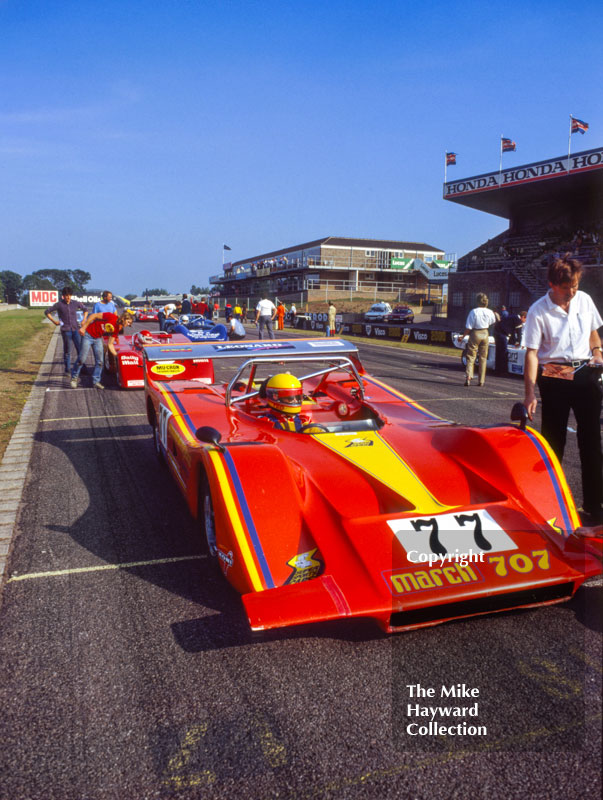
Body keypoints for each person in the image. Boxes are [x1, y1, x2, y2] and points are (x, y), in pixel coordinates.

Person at [523, 254, 603, 524]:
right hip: (554, 375)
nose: (572, 292)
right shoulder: (537, 310)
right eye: (566, 287)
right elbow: (532, 354)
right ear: (552, 284)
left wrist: (598, 352)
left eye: (576, 286)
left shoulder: (584, 300)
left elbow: (593, 331)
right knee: (554, 442)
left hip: (584, 373)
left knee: (591, 441)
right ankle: (550, 505)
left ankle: (594, 505)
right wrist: (529, 393)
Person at [70, 311, 133, 389]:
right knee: (81, 359)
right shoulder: (111, 316)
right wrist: (83, 327)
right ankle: (74, 378)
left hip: (98, 338)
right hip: (88, 335)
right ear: (124, 318)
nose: (129, 324)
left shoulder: (117, 328)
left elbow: (110, 344)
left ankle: (96, 381)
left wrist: (117, 356)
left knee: (100, 361)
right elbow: (94, 315)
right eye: (129, 322)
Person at [45, 286, 89, 373]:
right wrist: (54, 321)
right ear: (63, 296)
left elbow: (85, 309)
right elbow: (47, 312)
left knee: (80, 349)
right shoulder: (59, 304)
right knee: (67, 351)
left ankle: (82, 368)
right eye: (66, 295)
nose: (68, 297)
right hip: (66, 330)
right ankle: (67, 369)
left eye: (69, 295)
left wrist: (84, 320)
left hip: (76, 329)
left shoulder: (75, 303)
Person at [463, 293, 497, 386]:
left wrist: (463, 336)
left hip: (475, 333)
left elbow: (468, 327)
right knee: (483, 358)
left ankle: (468, 377)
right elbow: (492, 322)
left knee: (471, 356)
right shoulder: (490, 312)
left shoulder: (474, 311)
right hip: (485, 332)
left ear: (477, 301)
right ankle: (481, 380)